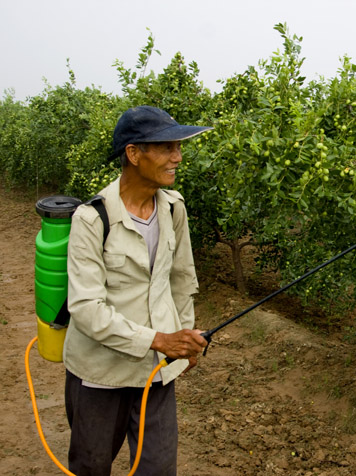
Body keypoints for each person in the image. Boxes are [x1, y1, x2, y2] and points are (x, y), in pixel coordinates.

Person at [64, 105, 212, 475]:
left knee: (159, 467)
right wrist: (159, 339)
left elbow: (181, 279)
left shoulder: (174, 209)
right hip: (101, 373)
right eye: (166, 148)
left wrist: (185, 338)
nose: (177, 157)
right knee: (91, 466)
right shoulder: (92, 218)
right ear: (134, 154)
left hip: (156, 371)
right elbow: (86, 308)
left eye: (178, 148)